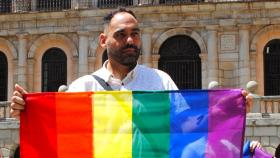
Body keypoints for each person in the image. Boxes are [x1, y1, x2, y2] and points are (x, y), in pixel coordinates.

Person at [10, 7, 254, 156]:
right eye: (121, 35)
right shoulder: (83, 88)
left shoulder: (160, 81)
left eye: (135, 34)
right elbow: (61, 138)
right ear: (103, 40)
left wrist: (227, 110)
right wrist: (27, 109)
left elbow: (187, 128)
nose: (130, 41)